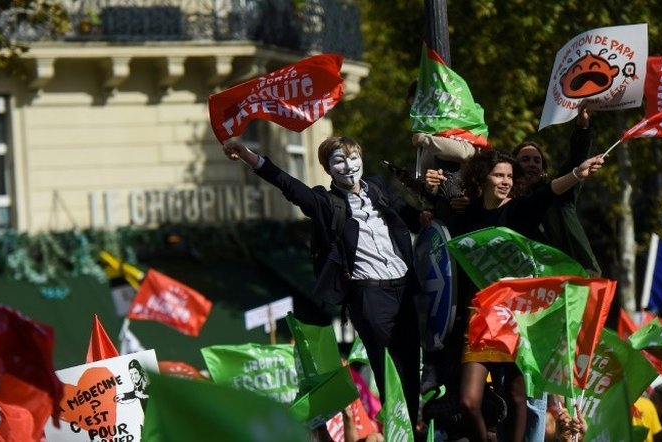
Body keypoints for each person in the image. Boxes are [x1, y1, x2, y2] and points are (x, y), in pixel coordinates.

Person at [222, 136, 422, 430]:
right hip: (369, 294)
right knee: (388, 368)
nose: (348, 165)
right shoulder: (326, 203)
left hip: (404, 288)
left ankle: (413, 430)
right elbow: (288, 185)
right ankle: (396, 429)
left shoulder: (379, 189)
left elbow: (413, 218)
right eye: (339, 160)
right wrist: (251, 156)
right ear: (328, 169)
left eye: (353, 158)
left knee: (410, 365)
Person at [453, 149, 604, 442]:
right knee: (468, 402)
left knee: (516, 395)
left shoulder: (519, 210)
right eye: (499, 175)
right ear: (482, 177)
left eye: (510, 176)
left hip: (516, 317)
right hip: (481, 317)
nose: (506, 181)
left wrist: (577, 174)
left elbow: (547, 192)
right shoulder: (468, 214)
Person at [512, 103, 601, 276]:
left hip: (577, 279)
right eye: (525, 159)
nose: (531, 164)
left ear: (543, 169)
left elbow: (575, 163)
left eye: (537, 161)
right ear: (512, 167)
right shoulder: (507, 205)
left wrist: (582, 128)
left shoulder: (559, 195)